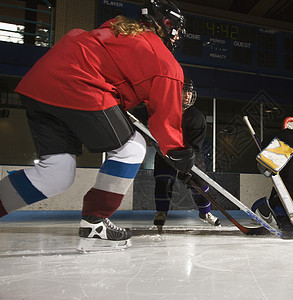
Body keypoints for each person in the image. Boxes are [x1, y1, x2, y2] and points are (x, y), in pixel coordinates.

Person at [0, 0, 194, 251]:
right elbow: (166, 121)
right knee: (132, 147)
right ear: (166, 25)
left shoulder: (118, 30)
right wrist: (178, 152)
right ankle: (95, 220)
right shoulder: (165, 62)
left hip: (40, 83)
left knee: (56, 172)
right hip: (79, 85)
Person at [153, 78, 220, 233]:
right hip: (166, 151)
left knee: (200, 183)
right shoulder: (165, 112)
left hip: (190, 153)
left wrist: (184, 167)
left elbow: (195, 146)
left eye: (189, 93)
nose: (187, 96)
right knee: (163, 180)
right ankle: (161, 211)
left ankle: (205, 213)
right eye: (184, 92)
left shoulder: (197, 117)